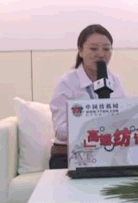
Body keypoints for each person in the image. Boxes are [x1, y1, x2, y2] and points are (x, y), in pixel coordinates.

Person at [49, 24, 126, 168]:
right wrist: (95, 127)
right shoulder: (66, 83)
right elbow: (61, 131)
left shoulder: (115, 81)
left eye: (106, 49)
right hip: (69, 154)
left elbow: (123, 119)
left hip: (108, 153)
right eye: (93, 48)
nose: (101, 54)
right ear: (80, 51)